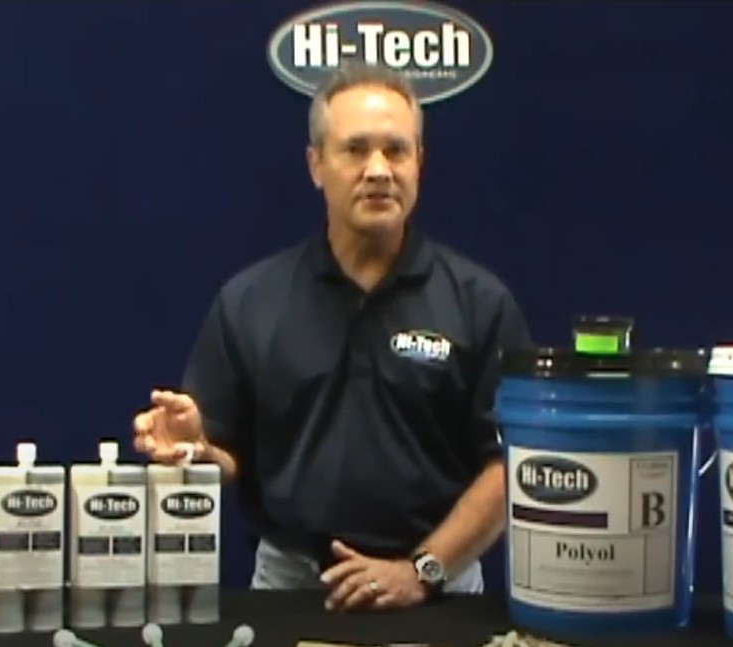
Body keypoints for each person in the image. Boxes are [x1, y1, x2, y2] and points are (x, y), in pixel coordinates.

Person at [132, 62, 531, 613]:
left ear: (420, 162)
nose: (378, 170)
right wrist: (198, 451)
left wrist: (423, 570)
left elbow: (510, 463)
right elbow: (226, 455)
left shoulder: (480, 303)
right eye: (355, 150)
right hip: (292, 588)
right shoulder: (251, 301)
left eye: (396, 150)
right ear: (316, 165)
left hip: (439, 592)